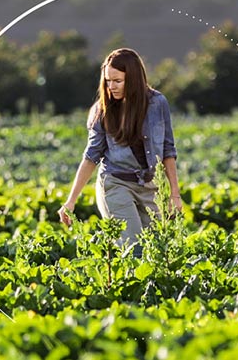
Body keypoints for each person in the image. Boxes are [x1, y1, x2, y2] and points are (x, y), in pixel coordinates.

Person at [57, 48, 182, 256]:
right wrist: (71, 201)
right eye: (107, 81)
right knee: (135, 250)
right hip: (115, 184)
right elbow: (91, 157)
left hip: (149, 185)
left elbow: (168, 149)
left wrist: (175, 194)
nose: (111, 86)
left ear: (133, 79)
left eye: (117, 81)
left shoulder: (157, 103)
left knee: (158, 251)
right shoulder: (102, 110)